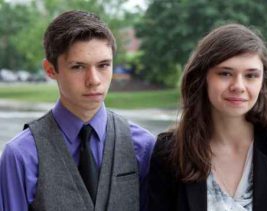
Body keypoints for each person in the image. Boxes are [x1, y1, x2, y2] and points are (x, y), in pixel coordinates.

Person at [0, 10, 155, 211]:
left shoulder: (143, 146)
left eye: (103, 65)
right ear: (50, 70)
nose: (94, 80)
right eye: (78, 67)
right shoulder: (21, 156)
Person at [148, 23, 267, 211]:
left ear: (263, 81)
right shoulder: (170, 152)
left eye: (251, 75)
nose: (238, 86)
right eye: (225, 73)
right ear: (202, 78)